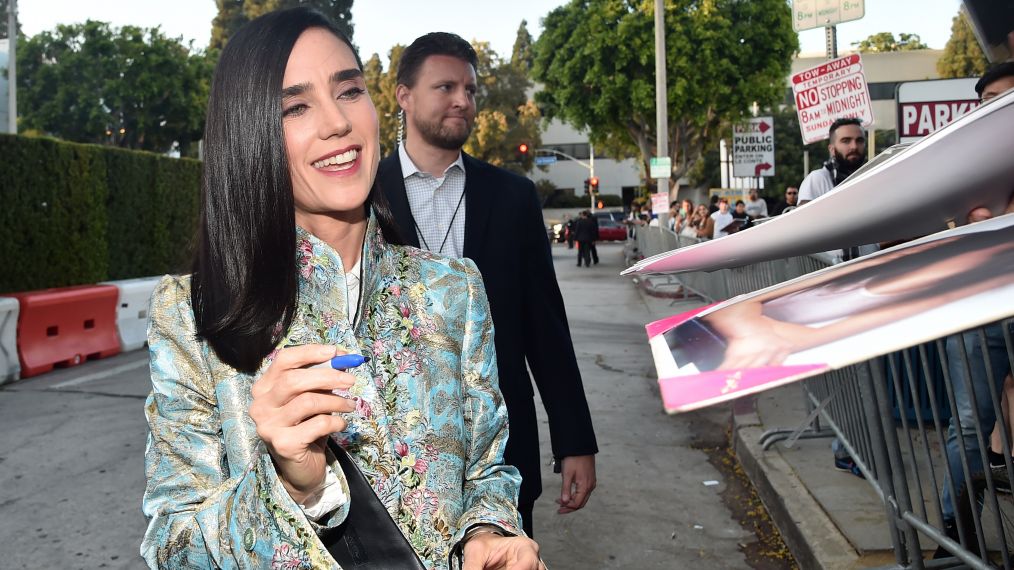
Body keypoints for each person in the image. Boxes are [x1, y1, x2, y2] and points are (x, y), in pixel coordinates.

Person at [140, 10, 543, 569]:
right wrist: (291, 484)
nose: (338, 123)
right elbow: (172, 549)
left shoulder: (454, 290)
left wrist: (487, 534)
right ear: (249, 132)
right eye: (296, 106)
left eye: (349, 91)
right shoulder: (193, 316)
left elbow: (487, 471)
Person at [377, 32, 598, 537]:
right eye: (446, 87)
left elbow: (545, 328)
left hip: (501, 452)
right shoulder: (364, 194)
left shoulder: (514, 197)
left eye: (471, 90)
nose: (463, 101)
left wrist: (574, 440)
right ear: (404, 96)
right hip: (389, 453)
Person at [934, 61, 1014, 557]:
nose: (1001, 107)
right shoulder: (963, 160)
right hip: (980, 307)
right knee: (969, 423)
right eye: (991, 102)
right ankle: (955, 536)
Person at [798, 117, 867, 206]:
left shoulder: (874, 176)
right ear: (832, 149)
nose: (854, 146)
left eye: (859, 141)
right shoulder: (818, 180)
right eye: (846, 141)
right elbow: (804, 217)